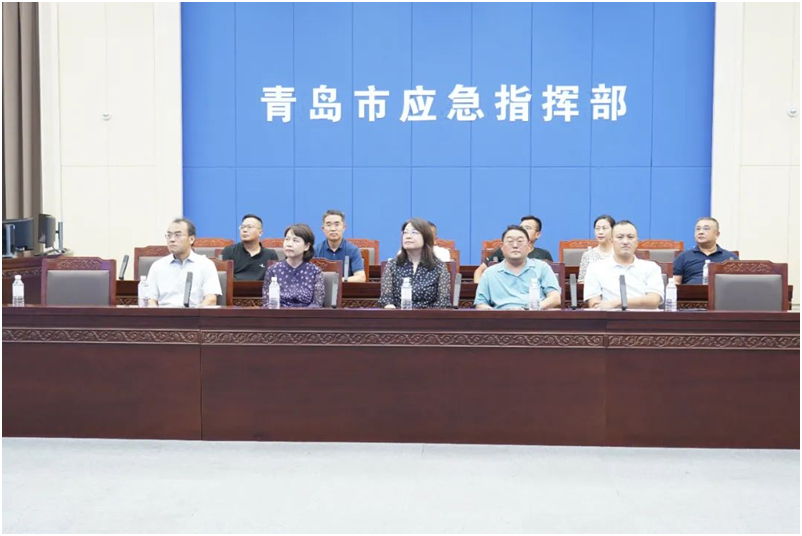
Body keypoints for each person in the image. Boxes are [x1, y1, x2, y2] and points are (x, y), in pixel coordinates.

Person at [474, 225, 561, 310]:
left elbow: (555, 298)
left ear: (528, 245)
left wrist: (529, 309)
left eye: (520, 241)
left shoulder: (542, 268)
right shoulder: (490, 273)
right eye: (510, 241)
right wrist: (500, 314)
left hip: (535, 315)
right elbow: (480, 304)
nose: (515, 245)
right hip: (501, 317)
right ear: (502, 246)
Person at [583, 220, 663, 310]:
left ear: (637, 242)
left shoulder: (651, 268)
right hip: (610, 317)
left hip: (644, 317)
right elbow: (595, 304)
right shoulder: (595, 268)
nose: (625, 242)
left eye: (630, 237)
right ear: (611, 241)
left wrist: (616, 303)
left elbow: (653, 301)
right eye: (620, 237)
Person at [378, 218, 452, 309]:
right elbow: (386, 299)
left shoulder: (439, 266)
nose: (408, 236)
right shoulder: (392, 265)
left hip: (429, 315)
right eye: (405, 233)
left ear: (426, 237)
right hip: (398, 315)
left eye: (414, 232)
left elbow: (443, 302)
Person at [146, 218, 221, 307]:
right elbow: (150, 300)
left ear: (191, 239)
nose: (172, 239)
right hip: (164, 314)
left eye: (178, 235)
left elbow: (211, 299)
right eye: (169, 235)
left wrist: (196, 313)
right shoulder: (157, 266)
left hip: (194, 313)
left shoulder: (206, 265)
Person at [262, 224, 325, 308]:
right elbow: (267, 302)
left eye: (295, 240)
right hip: (278, 315)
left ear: (306, 246)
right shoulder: (273, 270)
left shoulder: (315, 272)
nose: (289, 244)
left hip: (307, 315)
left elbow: (317, 304)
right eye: (287, 239)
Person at [474, 215, 553, 282]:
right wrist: (479, 288)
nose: (523, 230)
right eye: (521, 227)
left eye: (527, 228)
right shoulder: (504, 250)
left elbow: (551, 278)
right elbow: (479, 271)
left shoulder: (544, 255)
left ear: (538, 234)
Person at [673, 217, 739, 284]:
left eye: (706, 229)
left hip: (720, 290)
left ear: (717, 234)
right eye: (698, 229)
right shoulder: (683, 257)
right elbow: (675, 282)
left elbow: (736, 283)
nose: (701, 232)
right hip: (691, 290)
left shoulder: (730, 258)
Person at [221, 214, 278, 281]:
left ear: (260, 232)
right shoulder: (229, 251)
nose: (244, 230)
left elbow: (274, 281)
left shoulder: (270, 255)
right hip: (235, 287)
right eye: (242, 227)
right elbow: (223, 280)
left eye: (250, 227)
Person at [315, 209, 367, 282]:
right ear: (323, 229)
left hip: (346, 288)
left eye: (337, 224)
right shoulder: (316, 250)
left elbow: (361, 278)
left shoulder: (353, 250)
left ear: (344, 227)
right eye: (328, 225)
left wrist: (337, 281)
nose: (333, 229)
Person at [578, 215, 615, 282]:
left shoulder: (620, 254)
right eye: (597, 228)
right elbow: (582, 281)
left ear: (613, 230)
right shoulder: (588, 255)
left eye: (604, 228)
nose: (600, 232)